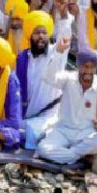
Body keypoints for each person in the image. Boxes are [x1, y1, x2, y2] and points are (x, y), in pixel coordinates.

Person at [36, 50, 97, 165]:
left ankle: (69, 155)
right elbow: (48, 77)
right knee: (42, 148)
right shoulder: (68, 79)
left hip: (85, 133)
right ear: (78, 66)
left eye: (92, 67)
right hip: (63, 131)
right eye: (85, 67)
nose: (89, 71)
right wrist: (58, 53)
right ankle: (80, 157)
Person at [15, 9, 72, 150]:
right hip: (27, 114)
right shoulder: (22, 58)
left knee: (32, 132)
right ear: (30, 36)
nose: (41, 36)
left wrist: (64, 15)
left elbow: (64, 38)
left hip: (49, 114)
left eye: (44, 33)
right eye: (37, 33)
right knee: (13, 125)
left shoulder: (56, 52)